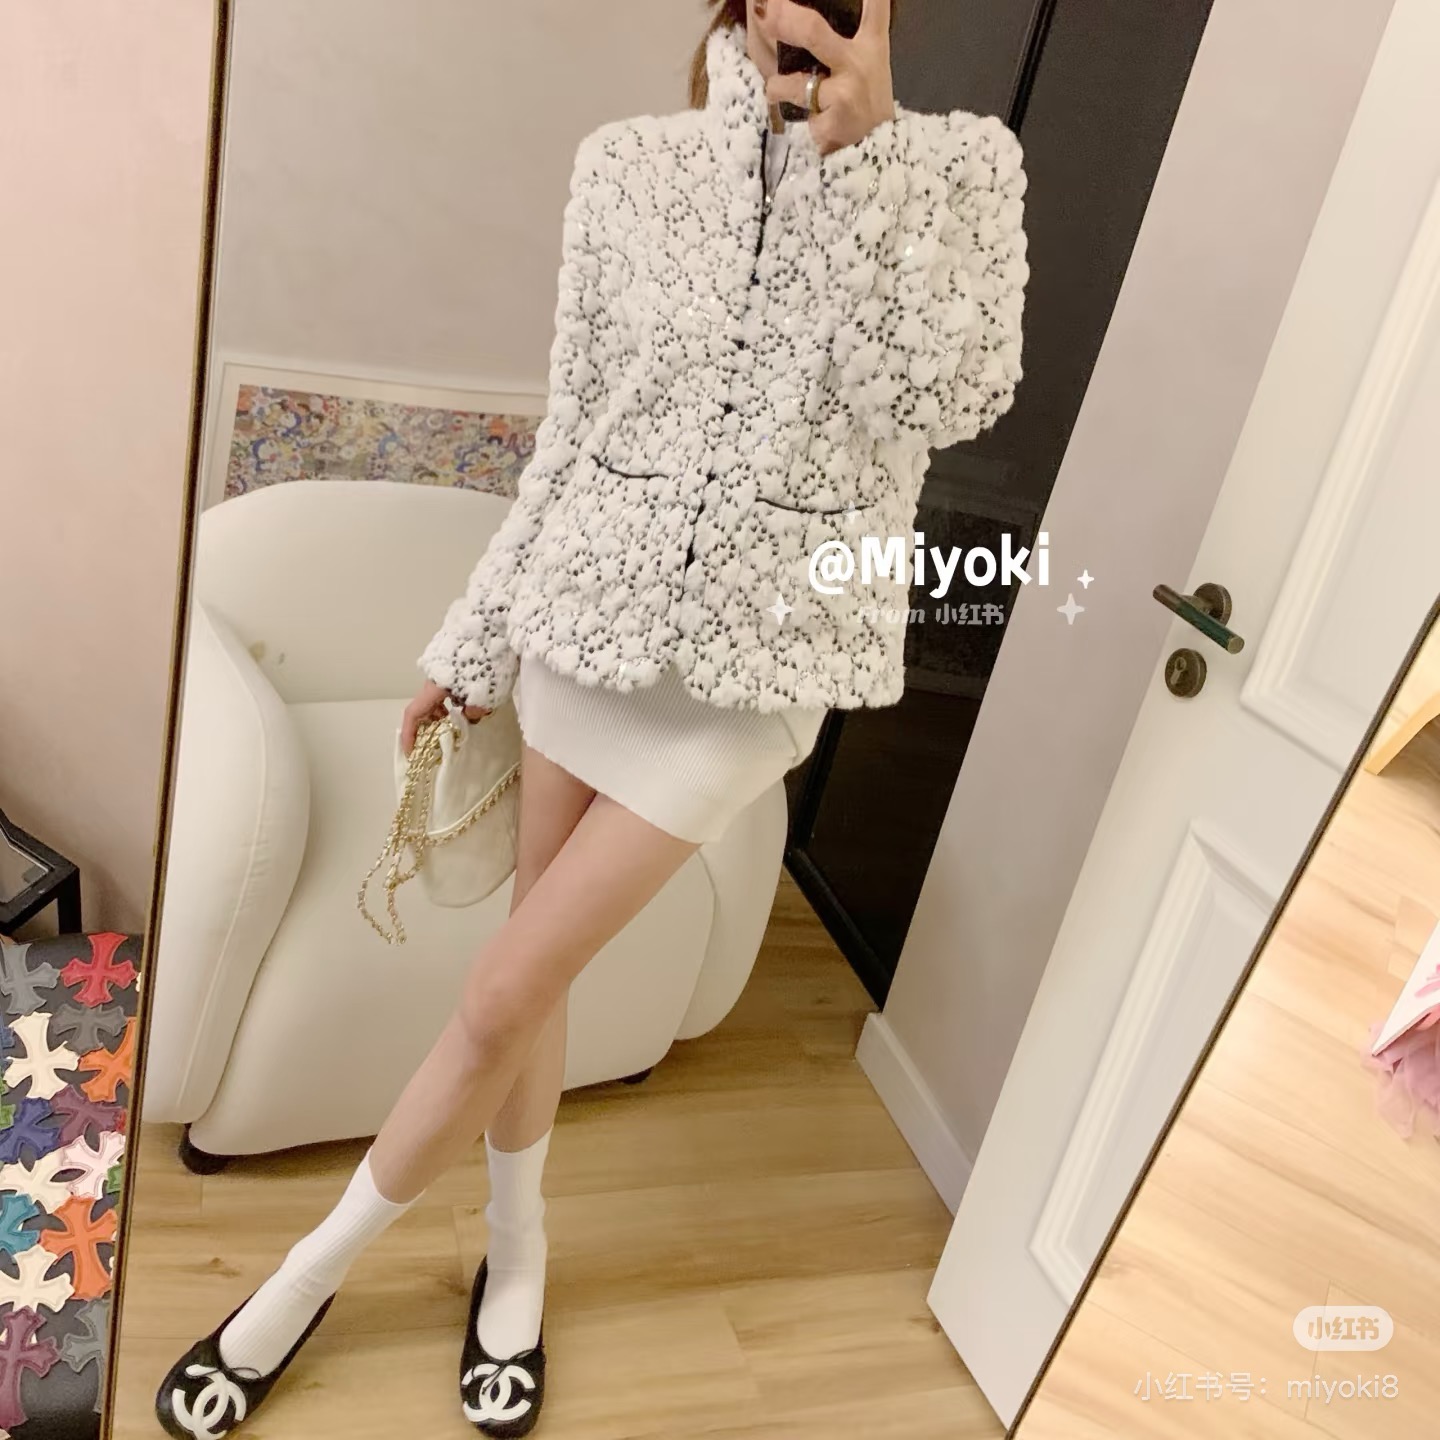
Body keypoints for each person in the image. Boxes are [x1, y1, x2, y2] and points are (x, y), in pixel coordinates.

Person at [156, 0, 1027, 1434]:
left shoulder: (960, 169)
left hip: (749, 684)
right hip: (581, 630)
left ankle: (304, 1280)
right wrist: (474, 640)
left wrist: (866, 163)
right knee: (534, 985)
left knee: (500, 990)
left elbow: (946, 396)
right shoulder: (628, 166)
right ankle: (516, 1253)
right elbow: (573, 433)